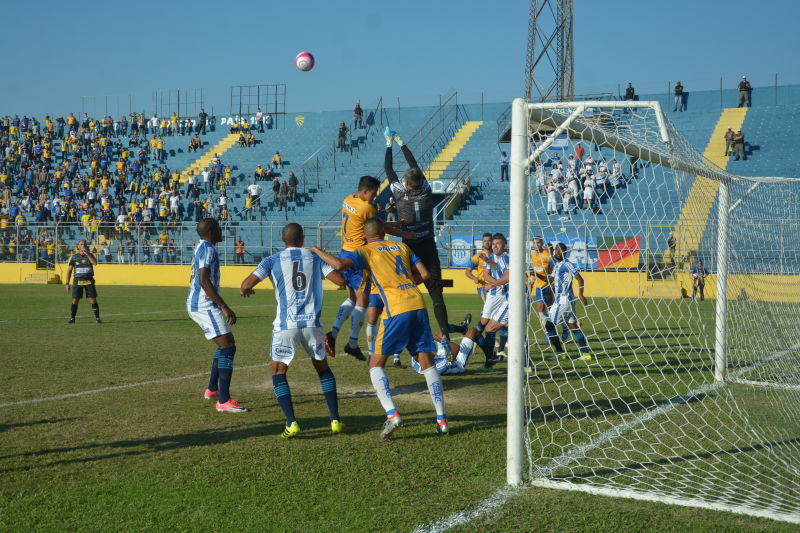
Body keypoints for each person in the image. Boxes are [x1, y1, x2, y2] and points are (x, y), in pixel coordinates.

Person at [310, 217, 449, 439]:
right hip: (417, 303)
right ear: (383, 233)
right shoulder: (401, 246)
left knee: (375, 364)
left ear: (365, 235)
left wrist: (316, 249)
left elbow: (338, 265)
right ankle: (442, 420)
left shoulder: (366, 250)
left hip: (396, 309)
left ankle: (393, 415)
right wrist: (405, 285)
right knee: (427, 363)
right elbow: (424, 274)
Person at [239, 223, 346, 438]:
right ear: (303, 238)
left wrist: (247, 290)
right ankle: (335, 420)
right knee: (323, 369)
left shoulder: (272, 260)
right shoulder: (315, 259)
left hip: (286, 326)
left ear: (282, 239)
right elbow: (340, 281)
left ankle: (292, 422)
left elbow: (246, 283)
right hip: (312, 324)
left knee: (278, 372)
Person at [384, 127, 455, 359]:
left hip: (409, 250)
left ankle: (397, 345)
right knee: (436, 294)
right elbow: (414, 165)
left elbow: (388, 169)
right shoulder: (425, 191)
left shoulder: (400, 193)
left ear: (405, 183)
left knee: (404, 292)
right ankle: (445, 335)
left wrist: (389, 144)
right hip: (428, 248)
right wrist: (403, 141)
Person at [326, 176, 412, 360]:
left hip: (344, 251)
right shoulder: (367, 207)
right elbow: (379, 229)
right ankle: (352, 343)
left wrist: (394, 223)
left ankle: (332, 334)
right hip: (359, 257)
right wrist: (404, 233)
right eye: (374, 193)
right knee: (362, 302)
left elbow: (375, 224)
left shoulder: (349, 199)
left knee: (351, 297)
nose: (375, 197)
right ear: (365, 191)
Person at [187, 218, 248, 413]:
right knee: (228, 346)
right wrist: (224, 306)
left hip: (200, 303)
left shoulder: (202, 247)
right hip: (205, 304)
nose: (222, 231)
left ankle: (213, 389)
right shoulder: (208, 249)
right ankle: (223, 400)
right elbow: (204, 280)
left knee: (224, 345)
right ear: (212, 230)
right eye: (219, 228)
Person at [543, 242, 591, 362]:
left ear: (565, 252)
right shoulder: (557, 265)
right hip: (566, 300)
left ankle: (560, 352)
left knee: (549, 325)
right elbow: (551, 279)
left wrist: (581, 294)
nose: (557, 252)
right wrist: (537, 274)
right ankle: (586, 353)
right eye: (556, 250)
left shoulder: (567, 264)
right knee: (573, 326)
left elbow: (580, 278)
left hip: (563, 300)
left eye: (560, 250)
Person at [474, 233, 510, 370]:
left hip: (507, 295)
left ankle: (473, 339)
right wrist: (497, 283)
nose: (494, 245)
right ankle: (493, 354)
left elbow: (508, 275)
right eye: (492, 243)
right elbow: (486, 274)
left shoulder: (506, 258)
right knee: (499, 325)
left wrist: (495, 284)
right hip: (498, 293)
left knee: (488, 325)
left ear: (504, 246)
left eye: (497, 243)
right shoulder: (490, 258)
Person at [64, 239, 102, 324]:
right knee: (75, 300)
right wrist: (67, 283)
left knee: (93, 299)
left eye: (84, 244)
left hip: (89, 281)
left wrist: (87, 254)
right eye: (81, 244)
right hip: (78, 281)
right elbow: (69, 271)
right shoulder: (74, 257)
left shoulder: (90, 255)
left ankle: (97, 318)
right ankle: (72, 318)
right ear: (78, 247)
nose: (83, 246)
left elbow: (95, 263)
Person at [530, 236, 554, 339]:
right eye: (535, 243)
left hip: (547, 285)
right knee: (540, 309)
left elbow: (553, 271)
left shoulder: (547, 256)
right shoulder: (533, 254)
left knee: (550, 309)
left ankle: (551, 331)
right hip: (539, 286)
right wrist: (531, 281)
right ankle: (547, 332)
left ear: (542, 243)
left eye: (538, 243)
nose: (536, 245)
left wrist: (552, 283)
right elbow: (534, 270)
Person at [465, 233, 493, 303]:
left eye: (489, 240)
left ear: (492, 241)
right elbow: (467, 271)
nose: (487, 242)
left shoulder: (496, 255)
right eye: (485, 241)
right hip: (483, 286)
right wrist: (474, 278)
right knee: (488, 306)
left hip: (495, 285)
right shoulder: (477, 256)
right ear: (482, 243)